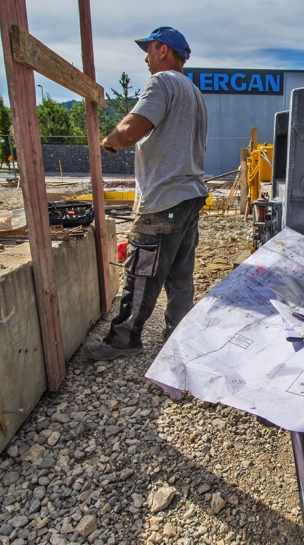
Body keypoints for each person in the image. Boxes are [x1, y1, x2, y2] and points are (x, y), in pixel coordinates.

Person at [83, 26, 208, 361]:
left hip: (164, 198)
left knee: (142, 272)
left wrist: (109, 141)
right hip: (189, 195)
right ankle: (177, 335)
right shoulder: (194, 93)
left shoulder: (162, 82)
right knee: (180, 275)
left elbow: (131, 129)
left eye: (150, 49)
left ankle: (123, 341)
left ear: (163, 50)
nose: (146, 57)